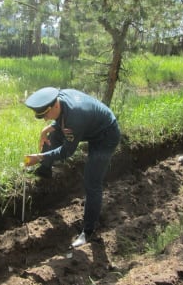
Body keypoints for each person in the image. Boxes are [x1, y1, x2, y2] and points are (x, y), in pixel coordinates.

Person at [24, 87, 120, 248]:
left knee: (92, 182)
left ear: (54, 106)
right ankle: (44, 171)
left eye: (45, 115)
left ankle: (88, 232)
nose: (44, 119)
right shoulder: (60, 98)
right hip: (91, 124)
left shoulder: (74, 118)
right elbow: (60, 119)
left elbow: (67, 151)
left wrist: (39, 156)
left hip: (106, 135)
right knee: (53, 134)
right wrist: (45, 130)